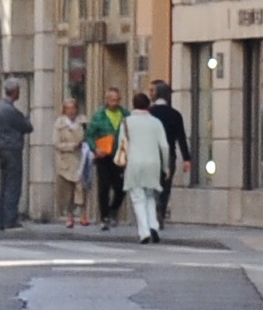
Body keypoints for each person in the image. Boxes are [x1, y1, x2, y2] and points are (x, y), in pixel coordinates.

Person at [119, 86, 174, 243]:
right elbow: (164, 146)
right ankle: (153, 226)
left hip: (134, 163)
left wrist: (122, 163)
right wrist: (166, 167)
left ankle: (144, 232)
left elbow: (122, 144)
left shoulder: (127, 122)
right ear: (148, 105)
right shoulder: (156, 123)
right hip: (153, 163)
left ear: (133, 105)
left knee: (138, 198)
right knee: (150, 196)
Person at [0, 82, 34, 231]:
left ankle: (0, 221)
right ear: (14, 91)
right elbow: (27, 126)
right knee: (13, 185)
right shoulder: (11, 111)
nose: (19, 93)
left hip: (1, 149)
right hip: (13, 150)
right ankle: (10, 220)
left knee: (4, 185)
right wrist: (26, 118)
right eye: (18, 91)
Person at [87, 87, 130, 228]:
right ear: (106, 100)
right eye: (112, 100)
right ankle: (104, 216)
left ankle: (113, 209)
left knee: (121, 186)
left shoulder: (125, 114)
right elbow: (89, 135)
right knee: (104, 186)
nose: (115, 103)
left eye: (117, 100)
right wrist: (95, 148)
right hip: (104, 156)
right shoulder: (99, 116)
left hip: (120, 154)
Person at [146, 79, 194, 188]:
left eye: (152, 90)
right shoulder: (175, 114)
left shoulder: (148, 113)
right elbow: (181, 137)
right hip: (169, 155)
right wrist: (186, 158)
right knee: (165, 188)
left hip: (150, 155)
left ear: (158, 93)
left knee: (151, 189)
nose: (150, 93)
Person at [52, 93, 89, 228]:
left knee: (82, 188)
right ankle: (69, 216)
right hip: (66, 161)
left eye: (73, 108)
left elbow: (88, 137)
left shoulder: (83, 122)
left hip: (80, 159)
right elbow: (56, 143)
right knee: (67, 191)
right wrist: (71, 146)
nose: (71, 111)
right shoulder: (59, 124)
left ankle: (83, 214)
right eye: (68, 108)